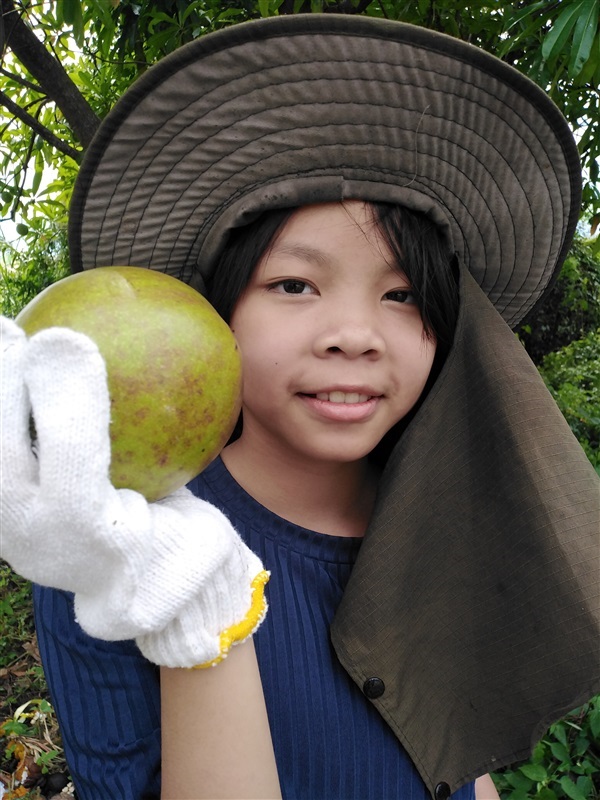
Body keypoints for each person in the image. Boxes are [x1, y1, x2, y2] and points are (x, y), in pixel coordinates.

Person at [1, 13, 599, 800]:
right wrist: (201, 612)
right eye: (294, 285)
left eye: (403, 295)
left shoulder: (436, 512)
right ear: (213, 321)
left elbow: (452, 761)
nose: (355, 335)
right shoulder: (120, 546)